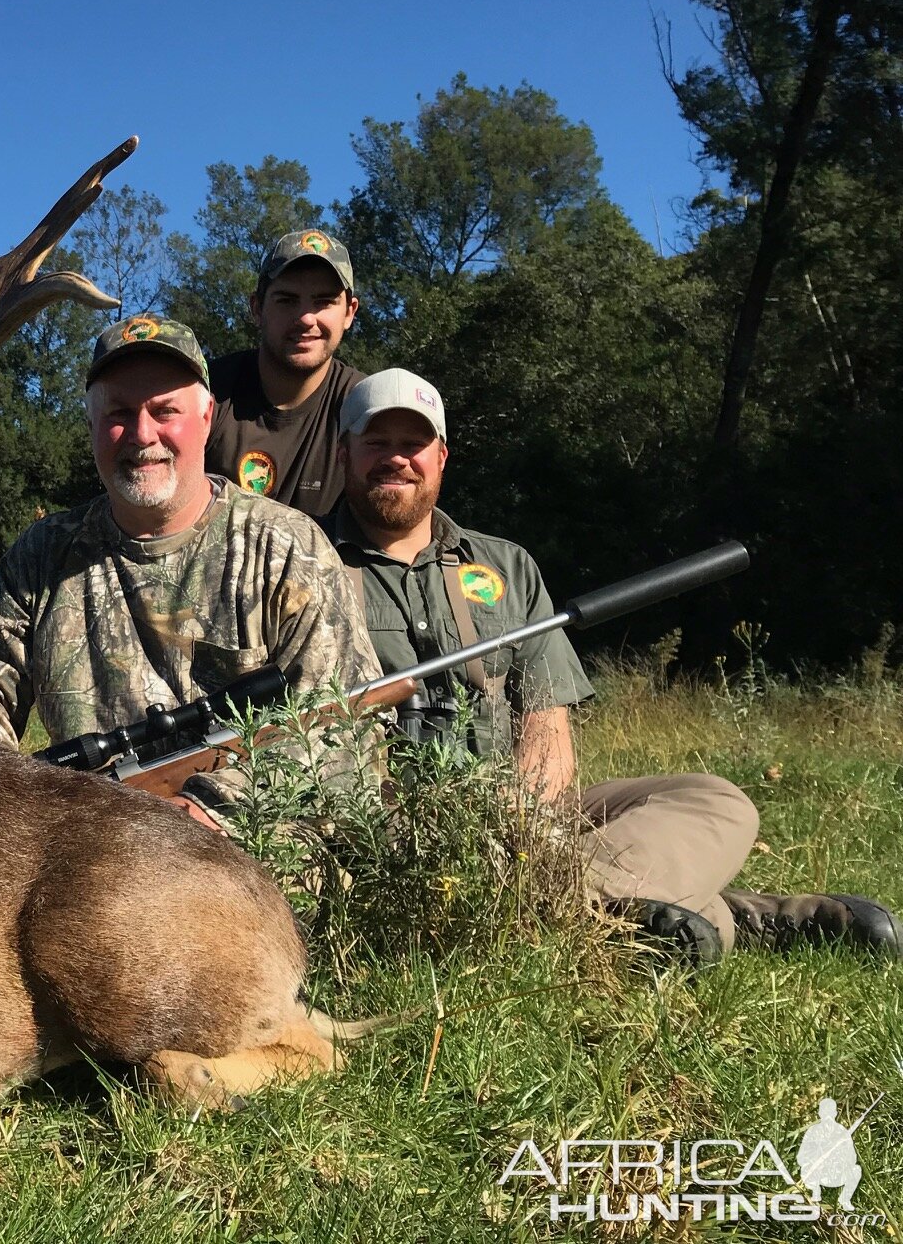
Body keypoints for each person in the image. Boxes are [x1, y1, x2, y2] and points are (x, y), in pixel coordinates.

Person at [323, 366, 900, 964]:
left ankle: (558, 902)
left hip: (523, 822)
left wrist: (525, 826)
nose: (396, 458)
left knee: (717, 800)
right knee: (685, 927)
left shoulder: (506, 566)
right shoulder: (299, 559)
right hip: (386, 831)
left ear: (441, 456)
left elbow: (546, 721)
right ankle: (733, 918)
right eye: (376, 442)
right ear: (345, 452)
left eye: (412, 444)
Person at [0, 314, 382, 793]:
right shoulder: (42, 554)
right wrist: (3, 797)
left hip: (252, 847)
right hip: (85, 838)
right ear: (91, 425)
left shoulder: (288, 547)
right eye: (118, 414)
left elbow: (346, 730)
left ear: (206, 419)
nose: (142, 435)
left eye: (165, 411)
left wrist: (212, 809)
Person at [205, 229, 365, 518]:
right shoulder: (206, 393)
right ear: (257, 308)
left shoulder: (366, 406)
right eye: (287, 300)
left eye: (324, 301)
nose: (306, 318)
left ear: (349, 313)